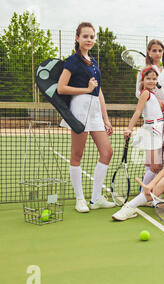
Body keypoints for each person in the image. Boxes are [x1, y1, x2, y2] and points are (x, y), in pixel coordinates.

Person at [57, 22, 115, 213]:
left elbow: (99, 92)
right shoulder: (72, 61)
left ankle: (96, 198)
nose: (89, 40)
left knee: (107, 152)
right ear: (77, 38)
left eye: (91, 37)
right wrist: (86, 89)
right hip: (79, 109)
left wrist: (106, 118)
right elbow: (61, 88)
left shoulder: (94, 63)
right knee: (77, 154)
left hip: (96, 111)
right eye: (85, 36)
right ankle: (80, 199)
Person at [134, 40, 164, 190]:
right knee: (153, 153)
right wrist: (154, 100)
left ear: (163, 52)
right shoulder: (144, 71)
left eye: (160, 50)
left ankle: (152, 186)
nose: (157, 53)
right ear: (149, 52)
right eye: (154, 50)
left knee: (159, 152)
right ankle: (146, 186)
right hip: (152, 116)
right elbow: (138, 92)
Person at [125, 66, 164, 183]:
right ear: (142, 81)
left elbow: (161, 107)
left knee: (150, 165)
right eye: (148, 78)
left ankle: (146, 193)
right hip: (151, 131)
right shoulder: (145, 93)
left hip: (157, 130)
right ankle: (144, 193)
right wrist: (129, 129)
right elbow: (138, 112)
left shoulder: (152, 95)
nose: (151, 81)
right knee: (155, 167)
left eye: (154, 79)